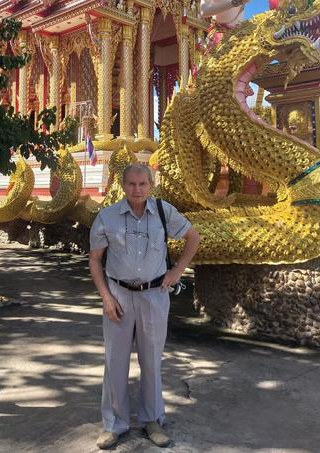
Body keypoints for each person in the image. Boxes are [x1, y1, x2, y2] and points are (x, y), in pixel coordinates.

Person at [89, 164, 200, 449]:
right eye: (131, 184)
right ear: (123, 185)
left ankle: (152, 420)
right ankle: (115, 424)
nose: (137, 190)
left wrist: (176, 272)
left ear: (151, 185)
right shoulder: (107, 217)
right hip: (119, 296)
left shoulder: (164, 212)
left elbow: (193, 238)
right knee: (115, 362)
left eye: (142, 184)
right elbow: (95, 260)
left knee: (151, 360)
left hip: (154, 295)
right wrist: (106, 298)